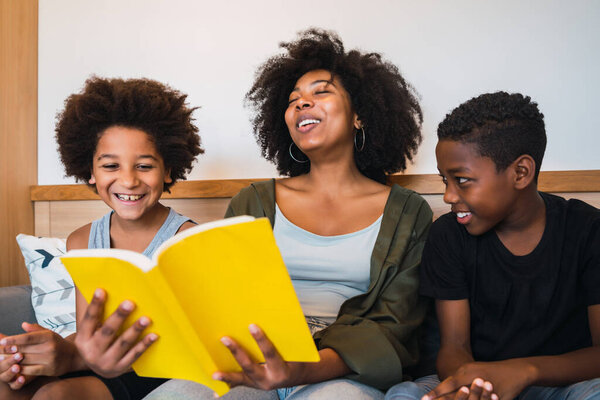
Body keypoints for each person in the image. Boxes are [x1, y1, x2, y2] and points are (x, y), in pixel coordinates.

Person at [144, 28, 433, 400]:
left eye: (320, 92)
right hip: (254, 365)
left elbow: (395, 326)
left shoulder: (408, 214)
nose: (301, 104)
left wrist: (302, 369)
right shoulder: (252, 203)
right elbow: (225, 303)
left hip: (341, 372)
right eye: (294, 99)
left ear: (360, 115)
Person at [385, 92, 600, 400]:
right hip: (474, 379)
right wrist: (475, 387)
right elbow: (454, 348)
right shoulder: (448, 235)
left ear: (521, 173)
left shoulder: (588, 230)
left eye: (462, 180)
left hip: (564, 384)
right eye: (444, 180)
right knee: (402, 395)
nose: (448, 196)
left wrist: (525, 371)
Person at [0, 77, 203, 400]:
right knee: (8, 387)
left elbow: (193, 342)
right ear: (90, 171)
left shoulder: (189, 240)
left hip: (155, 373)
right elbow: (87, 336)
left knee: (55, 396)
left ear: (167, 170)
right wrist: (38, 352)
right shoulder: (81, 240)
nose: (128, 179)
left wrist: (78, 358)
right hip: (98, 364)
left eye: (144, 165)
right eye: (111, 165)